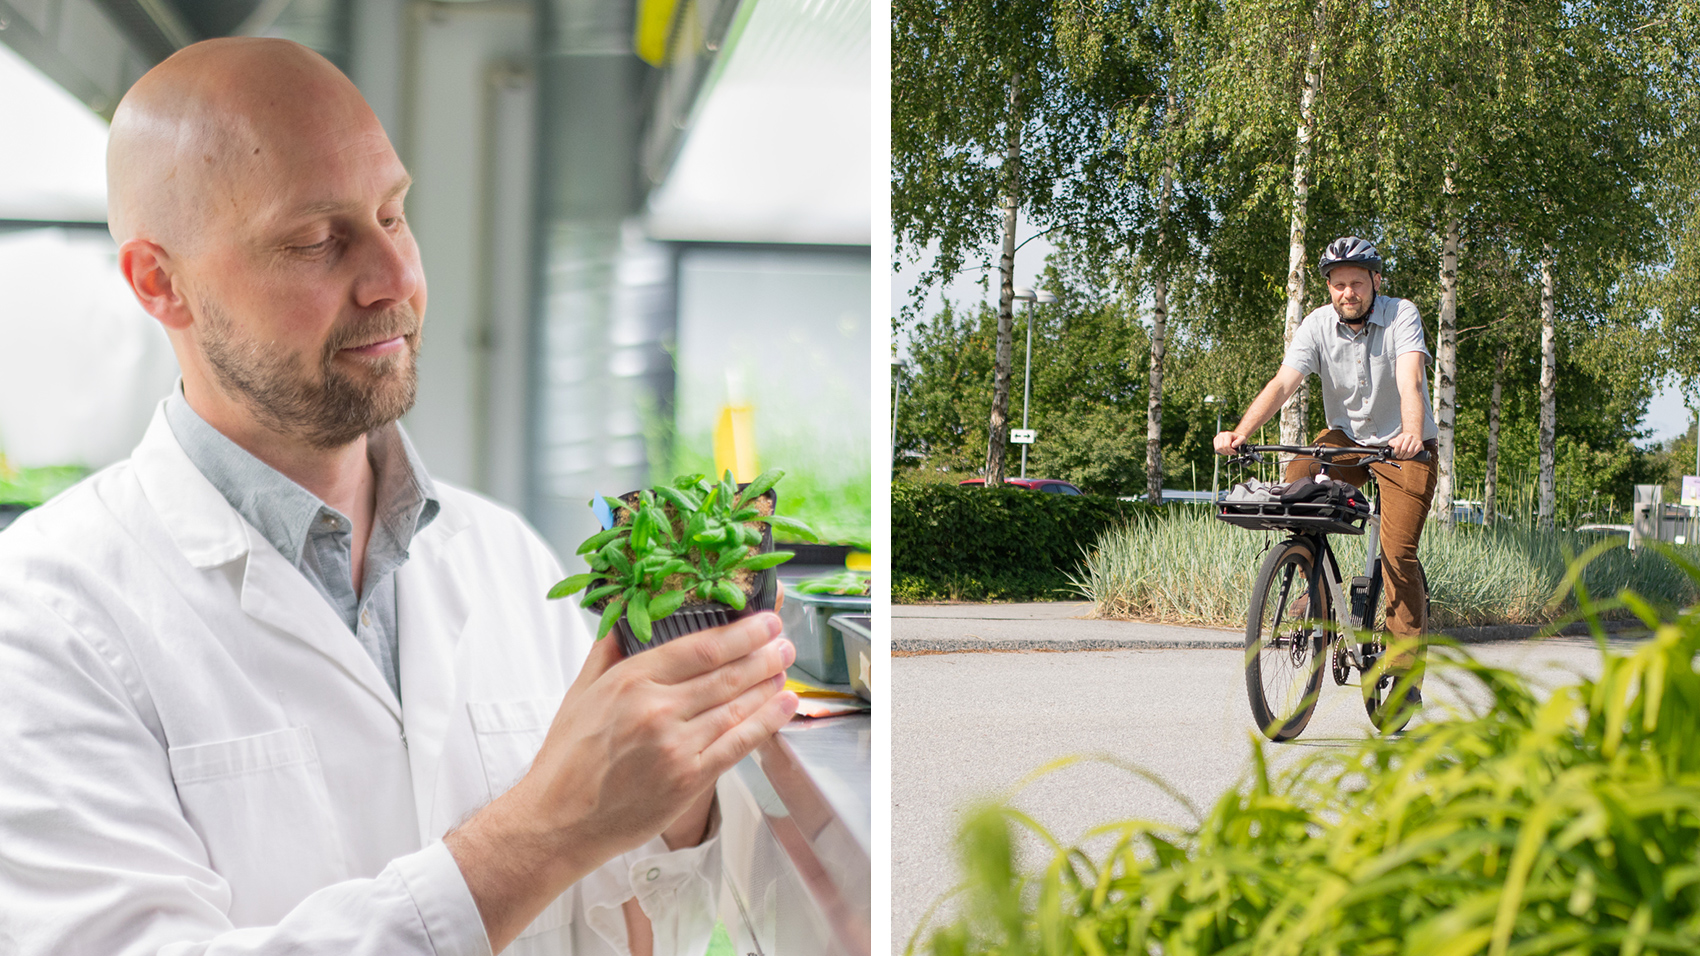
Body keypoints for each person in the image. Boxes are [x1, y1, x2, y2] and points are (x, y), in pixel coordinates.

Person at [0, 37, 799, 956]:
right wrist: (548, 826)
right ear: (159, 282)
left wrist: (677, 787)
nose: (395, 280)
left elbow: (627, 927)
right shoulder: (43, 616)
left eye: (395, 214)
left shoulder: (504, 559)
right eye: (314, 240)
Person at [1213, 236, 1439, 697]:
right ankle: (1313, 581)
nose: (1347, 293)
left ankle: (1404, 672)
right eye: (1338, 285)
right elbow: (1283, 383)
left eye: (1357, 282)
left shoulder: (1402, 314)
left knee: (1398, 555)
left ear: (1376, 281)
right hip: (1348, 441)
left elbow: (1410, 379)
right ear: (1329, 288)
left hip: (1404, 446)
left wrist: (1411, 431)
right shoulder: (1317, 324)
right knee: (1297, 479)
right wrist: (1241, 433)